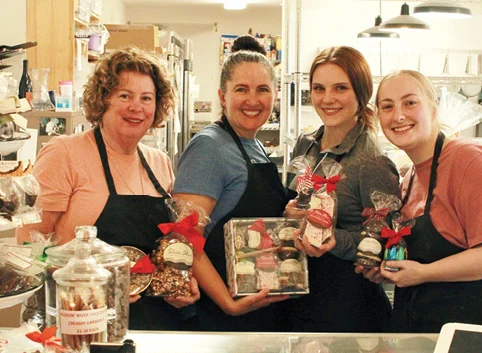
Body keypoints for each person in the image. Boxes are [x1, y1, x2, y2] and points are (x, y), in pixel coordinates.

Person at [17, 47, 200, 330]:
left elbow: (167, 248)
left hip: (154, 324)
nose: (136, 107)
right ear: (103, 100)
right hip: (82, 320)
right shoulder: (64, 153)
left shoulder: (159, 162)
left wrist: (179, 281)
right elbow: (30, 247)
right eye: (125, 95)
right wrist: (92, 282)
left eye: (146, 98)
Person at [359, 70, 482, 332]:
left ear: (433, 107)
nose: (398, 115)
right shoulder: (410, 178)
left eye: (410, 102)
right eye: (387, 107)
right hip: (423, 334)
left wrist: (424, 273)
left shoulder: (471, 162)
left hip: (470, 334)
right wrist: (391, 270)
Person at [284, 46, 400, 332]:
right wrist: (293, 215)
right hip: (299, 295)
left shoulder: (371, 161)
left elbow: (386, 240)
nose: (327, 98)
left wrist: (333, 238)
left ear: (362, 93)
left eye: (340, 88)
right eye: (319, 88)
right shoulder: (306, 144)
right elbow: (296, 201)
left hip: (349, 308)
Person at [173, 49, 288, 331]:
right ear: (222, 97)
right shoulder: (209, 147)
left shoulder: (255, 145)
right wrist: (228, 303)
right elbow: (184, 237)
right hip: (218, 317)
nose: (253, 100)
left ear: (274, 96)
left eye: (262, 89)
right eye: (241, 89)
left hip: (257, 306)